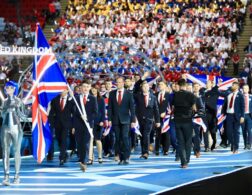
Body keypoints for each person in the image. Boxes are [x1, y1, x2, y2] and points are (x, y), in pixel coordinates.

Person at [1, 81, 26, 185]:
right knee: (5, 151)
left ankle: (17, 175)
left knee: (16, 152)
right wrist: (4, 111)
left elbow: (24, 114)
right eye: (7, 88)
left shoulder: (19, 101)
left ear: (14, 89)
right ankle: (6, 176)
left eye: (10, 88)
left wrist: (17, 108)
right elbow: (2, 114)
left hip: (16, 127)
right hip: (5, 127)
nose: (8, 89)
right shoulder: (4, 101)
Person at [108, 77, 136, 165]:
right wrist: (109, 119)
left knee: (125, 138)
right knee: (118, 139)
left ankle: (126, 157)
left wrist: (133, 120)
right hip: (115, 120)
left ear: (123, 83)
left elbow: (132, 108)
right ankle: (121, 157)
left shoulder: (129, 94)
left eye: (120, 82)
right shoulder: (112, 93)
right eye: (117, 82)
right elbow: (110, 108)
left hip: (126, 120)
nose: (118, 84)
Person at [72, 80, 98, 171]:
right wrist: (74, 125)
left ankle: (84, 161)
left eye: (87, 87)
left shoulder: (93, 98)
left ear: (90, 88)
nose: (85, 88)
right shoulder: (76, 98)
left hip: (88, 125)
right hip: (78, 124)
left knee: (86, 143)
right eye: (84, 87)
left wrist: (87, 117)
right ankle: (81, 158)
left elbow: (95, 112)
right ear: (81, 88)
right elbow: (73, 113)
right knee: (79, 143)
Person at [172, 79, 196, 168]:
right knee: (188, 142)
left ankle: (183, 162)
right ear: (185, 85)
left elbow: (173, 107)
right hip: (187, 121)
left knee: (180, 142)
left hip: (178, 121)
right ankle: (187, 160)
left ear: (178, 85)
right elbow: (194, 108)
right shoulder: (190, 95)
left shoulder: (175, 95)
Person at [135, 81, 160, 159]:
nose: (145, 88)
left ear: (149, 88)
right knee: (142, 135)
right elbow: (135, 89)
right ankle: (143, 152)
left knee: (146, 135)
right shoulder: (138, 96)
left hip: (149, 119)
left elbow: (156, 109)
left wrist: (158, 121)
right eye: (144, 87)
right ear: (141, 88)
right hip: (140, 119)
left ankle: (146, 152)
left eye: (147, 86)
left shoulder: (153, 97)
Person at [48, 89, 73, 166]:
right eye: (61, 91)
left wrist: (73, 125)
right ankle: (64, 153)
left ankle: (61, 158)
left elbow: (74, 112)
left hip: (66, 124)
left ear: (67, 91)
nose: (61, 92)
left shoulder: (71, 100)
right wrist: (50, 122)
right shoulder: (55, 99)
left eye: (63, 90)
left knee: (64, 139)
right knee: (59, 139)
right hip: (57, 123)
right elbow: (52, 112)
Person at [222, 81, 245, 154]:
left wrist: (242, 116)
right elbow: (225, 103)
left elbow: (242, 106)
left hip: (237, 116)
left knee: (236, 132)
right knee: (228, 132)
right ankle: (233, 144)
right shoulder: (229, 94)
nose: (232, 86)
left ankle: (236, 147)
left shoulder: (240, 95)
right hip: (229, 115)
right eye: (232, 85)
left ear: (237, 86)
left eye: (234, 85)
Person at [88, 86, 106, 164]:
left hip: (99, 122)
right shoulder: (89, 99)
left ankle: (100, 156)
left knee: (98, 140)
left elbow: (103, 111)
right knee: (90, 140)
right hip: (90, 122)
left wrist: (102, 121)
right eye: (92, 90)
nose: (94, 91)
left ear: (97, 90)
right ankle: (90, 157)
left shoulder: (101, 100)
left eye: (95, 90)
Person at [155, 81, 170, 156]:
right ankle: (157, 149)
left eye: (162, 84)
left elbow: (170, 106)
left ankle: (166, 150)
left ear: (165, 86)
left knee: (166, 133)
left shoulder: (169, 95)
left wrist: (166, 112)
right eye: (159, 84)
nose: (160, 85)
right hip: (157, 117)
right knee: (158, 133)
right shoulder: (156, 94)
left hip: (166, 117)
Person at [241, 84, 252, 150]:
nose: (245, 90)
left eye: (246, 88)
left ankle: (249, 144)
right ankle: (245, 144)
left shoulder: (251, 97)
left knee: (249, 130)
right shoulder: (240, 97)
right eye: (244, 88)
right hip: (242, 116)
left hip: (249, 116)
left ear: (248, 89)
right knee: (243, 131)